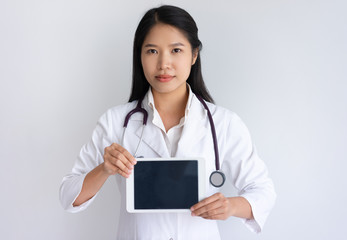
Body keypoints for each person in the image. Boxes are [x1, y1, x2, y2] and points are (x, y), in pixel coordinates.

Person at [59, 5, 276, 240]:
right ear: (139, 56)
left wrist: (230, 207)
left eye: (176, 50)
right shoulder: (115, 122)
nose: (163, 63)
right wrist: (104, 169)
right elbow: (68, 196)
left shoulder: (224, 124)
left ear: (194, 55)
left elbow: (263, 192)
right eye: (152, 51)